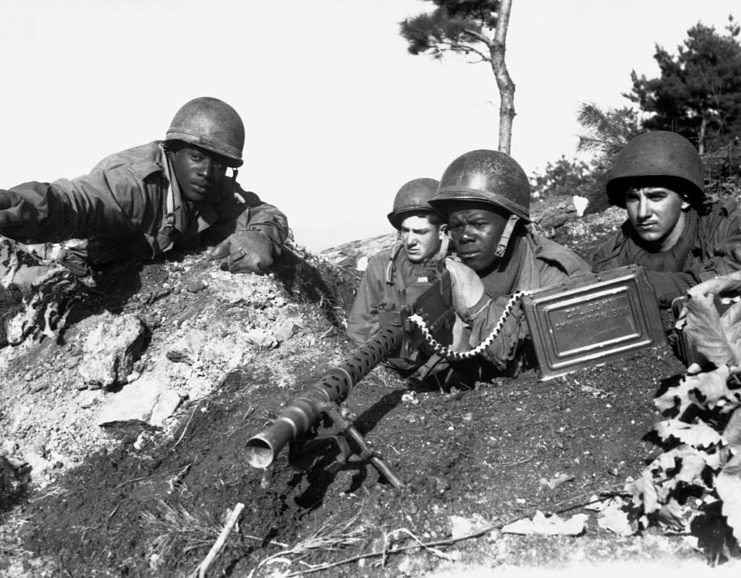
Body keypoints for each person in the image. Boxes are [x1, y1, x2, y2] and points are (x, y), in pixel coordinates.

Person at [0, 96, 289, 346]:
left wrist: (261, 236)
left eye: (219, 164)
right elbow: (74, 202)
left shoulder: (214, 190)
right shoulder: (133, 184)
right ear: (172, 151)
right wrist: (15, 208)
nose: (207, 172)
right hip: (42, 255)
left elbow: (264, 213)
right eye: (196, 157)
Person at [428, 149, 591, 377]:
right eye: (456, 226)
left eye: (478, 223)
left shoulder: (558, 276)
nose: (465, 236)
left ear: (511, 224)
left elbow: (525, 365)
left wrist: (477, 302)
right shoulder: (451, 272)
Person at [591, 131, 741, 309]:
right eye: (633, 198)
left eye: (655, 197)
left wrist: (652, 286)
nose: (642, 213)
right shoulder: (612, 255)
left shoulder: (723, 226)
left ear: (685, 199)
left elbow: (734, 269)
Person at [346, 178, 447, 370]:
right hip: (391, 369)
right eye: (405, 231)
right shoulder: (382, 265)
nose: (410, 241)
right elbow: (360, 332)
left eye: (420, 232)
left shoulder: (459, 269)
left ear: (442, 231)